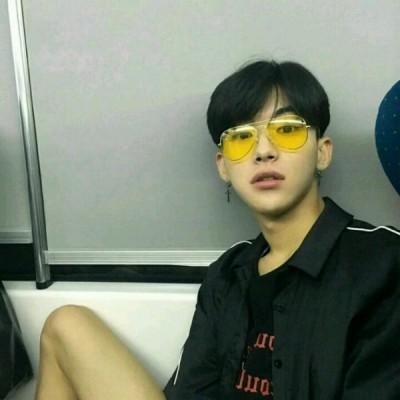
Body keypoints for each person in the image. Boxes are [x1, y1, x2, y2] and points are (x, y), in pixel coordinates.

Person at [35, 60, 400, 400]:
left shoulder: (381, 263)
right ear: (223, 166)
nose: (263, 151)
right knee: (66, 325)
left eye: (287, 130)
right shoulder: (228, 275)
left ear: (322, 152)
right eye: (241, 137)